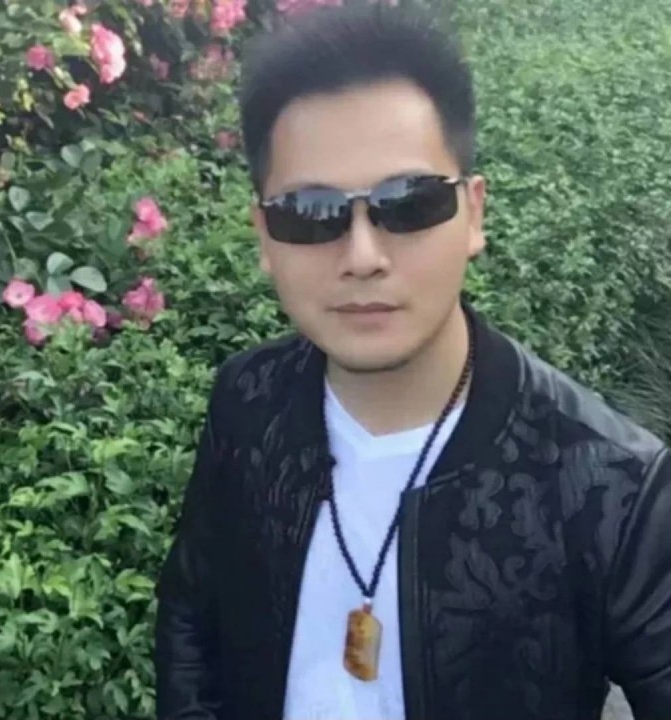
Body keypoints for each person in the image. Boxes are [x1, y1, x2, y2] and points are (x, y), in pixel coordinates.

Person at [153, 3, 671, 719]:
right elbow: (191, 615)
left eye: (409, 203)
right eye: (311, 212)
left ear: (474, 215)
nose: (363, 256)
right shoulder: (249, 401)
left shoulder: (609, 485)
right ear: (264, 237)